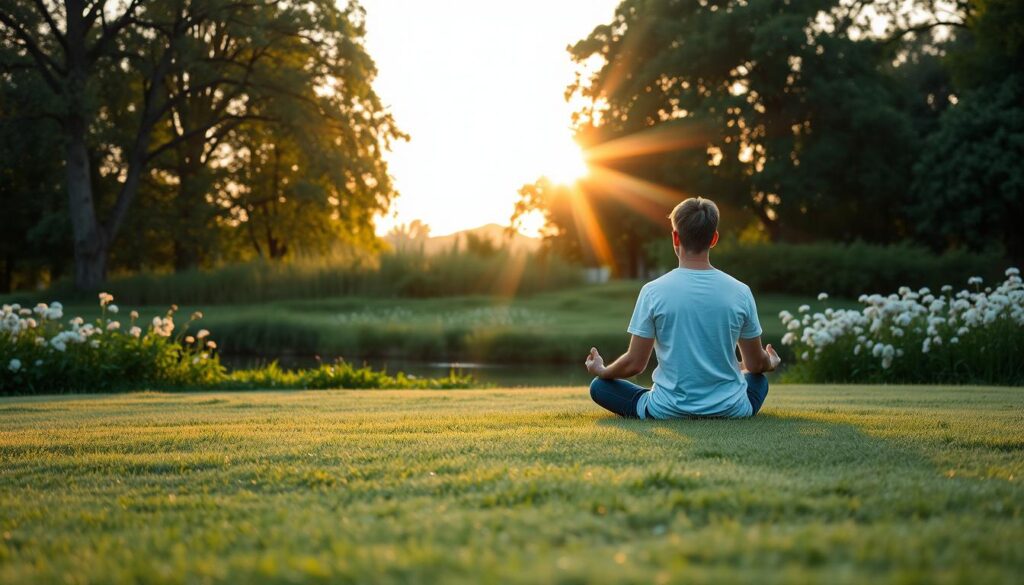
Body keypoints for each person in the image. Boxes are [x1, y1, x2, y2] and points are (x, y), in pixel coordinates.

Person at [585, 197, 780, 420]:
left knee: (599, 387)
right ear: (714, 238)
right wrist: (770, 362)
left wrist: (602, 370)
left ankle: (664, 402)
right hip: (731, 410)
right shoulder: (740, 291)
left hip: (666, 411)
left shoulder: (653, 291)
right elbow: (755, 365)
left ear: (675, 237)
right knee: (758, 379)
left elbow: (635, 364)